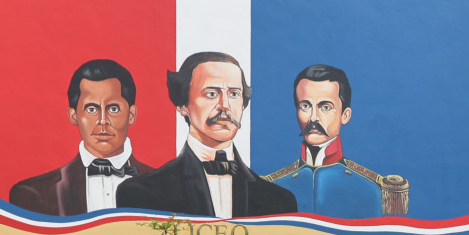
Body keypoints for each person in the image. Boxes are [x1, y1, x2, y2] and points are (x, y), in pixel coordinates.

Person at [116, 52, 297, 218]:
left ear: (243, 103)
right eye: (211, 94)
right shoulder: (141, 193)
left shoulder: (280, 201)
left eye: (234, 94)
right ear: (182, 105)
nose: (225, 105)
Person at [9, 59, 154, 215]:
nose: (102, 120)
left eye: (113, 108)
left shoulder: (165, 187)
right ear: (74, 116)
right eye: (91, 109)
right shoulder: (33, 194)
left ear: (131, 115)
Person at [264, 64, 402, 218]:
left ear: (345, 115)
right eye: (305, 106)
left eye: (325, 107)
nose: (313, 118)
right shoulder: (272, 186)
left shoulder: (374, 190)